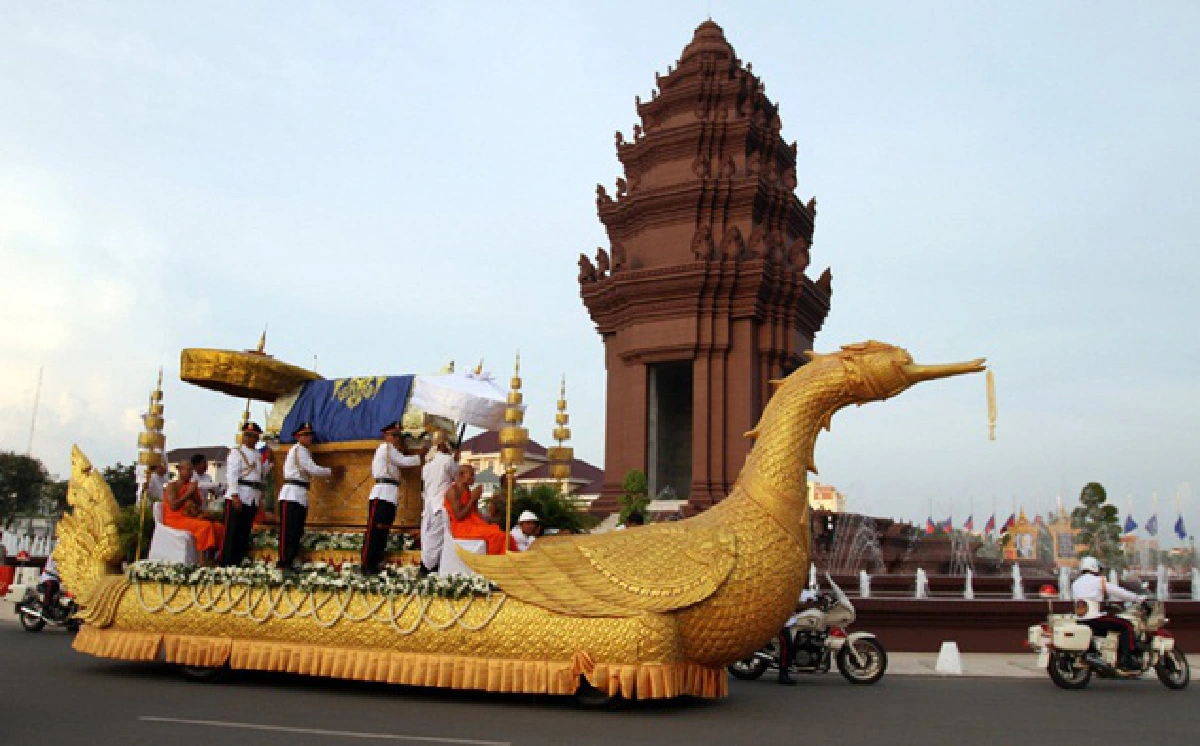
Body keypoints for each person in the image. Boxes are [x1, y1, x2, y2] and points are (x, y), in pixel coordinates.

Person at [277, 422, 345, 570]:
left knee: (296, 529)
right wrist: (330, 471)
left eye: (310, 435)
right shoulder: (299, 449)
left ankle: (290, 559)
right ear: (298, 437)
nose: (309, 438)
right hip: (292, 493)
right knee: (288, 530)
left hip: (299, 493)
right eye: (305, 435)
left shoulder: (304, 451)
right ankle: (284, 561)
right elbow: (311, 468)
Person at [362, 422, 423, 574]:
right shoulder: (386, 448)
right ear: (386, 436)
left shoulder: (392, 450)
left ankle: (375, 562)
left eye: (398, 436)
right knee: (374, 532)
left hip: (390, 494)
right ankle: (367, 563)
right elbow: (404, 461)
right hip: (381, 493)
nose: (397, 439)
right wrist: (421, 455)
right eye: (394, 435)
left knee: (383, 531)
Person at [1071, 555, 1145, 671]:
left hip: (1081, 619)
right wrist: (1136, 598)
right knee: (1127, 626)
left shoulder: (1075, 583)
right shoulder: (1097, 581)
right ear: (1094, 567)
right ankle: (1126, 659)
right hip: (1095, 618)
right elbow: (1118, 591)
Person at [222, 422, 269, 567]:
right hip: (239, 494)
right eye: (247, 435)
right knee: (232, 533)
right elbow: (232, 475)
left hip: (252, 496)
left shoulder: (257, 455)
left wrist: (269, 463)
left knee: (244, 532)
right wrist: (235, 495)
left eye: (253, 436)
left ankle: (238, 562)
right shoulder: (236, 452)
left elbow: (259, 474)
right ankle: (226, 563)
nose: (249, 438)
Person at [444, 464, 516, 555]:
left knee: (506, 535)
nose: (474, 478)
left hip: (473, 523)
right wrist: (472, 499)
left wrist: (476, 499)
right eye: (471, 475)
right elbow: (459, 516)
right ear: (462, 475)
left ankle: (512, 560)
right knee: (498, 535)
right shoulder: (453, 491)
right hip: (461, 528)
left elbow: (474, 512)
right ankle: (494, 561)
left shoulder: (467, 490)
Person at [161, 459, 225, 562]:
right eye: (188, 470)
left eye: (191, 470)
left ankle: (213, 559)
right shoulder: (172, 486)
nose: (191, 473)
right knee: (205, 527)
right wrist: (188, 493)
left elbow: (198, 504)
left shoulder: (191, 485)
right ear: (180, 470)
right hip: (175, 519)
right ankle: (201, 562)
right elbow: (173, 506)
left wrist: (194, 492)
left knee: (219, 527)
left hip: (189, 517)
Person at [419, 430, 458, 572]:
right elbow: (456, 476)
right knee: (437, 537)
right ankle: (428, 567)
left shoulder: (427, 465)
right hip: (440, 505)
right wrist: (456, 460)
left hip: (428, 505)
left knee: (427, 536)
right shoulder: (447, 460)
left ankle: (428, 563)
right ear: (442, 444)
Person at [39, 552, 62, 620]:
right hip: (49, 577)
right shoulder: (55, 554)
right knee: (51, 586)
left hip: (58, 579)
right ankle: (45, 608)